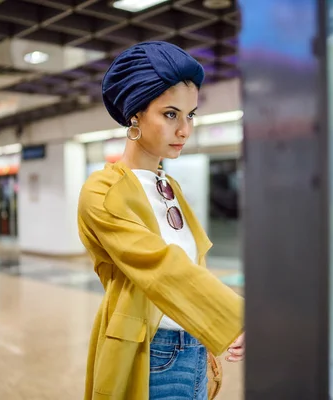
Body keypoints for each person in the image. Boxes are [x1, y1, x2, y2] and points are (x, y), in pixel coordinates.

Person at [77, 41, 244, 400]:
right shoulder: (103, 191)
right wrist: (233, 316)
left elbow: (191, 265)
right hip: (152, 352)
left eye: (191, 115)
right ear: (135, 114)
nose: (185, 129)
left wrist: (206, 334)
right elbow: (160, 265)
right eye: (171, 114)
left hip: (195, 347)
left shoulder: (170, 186)